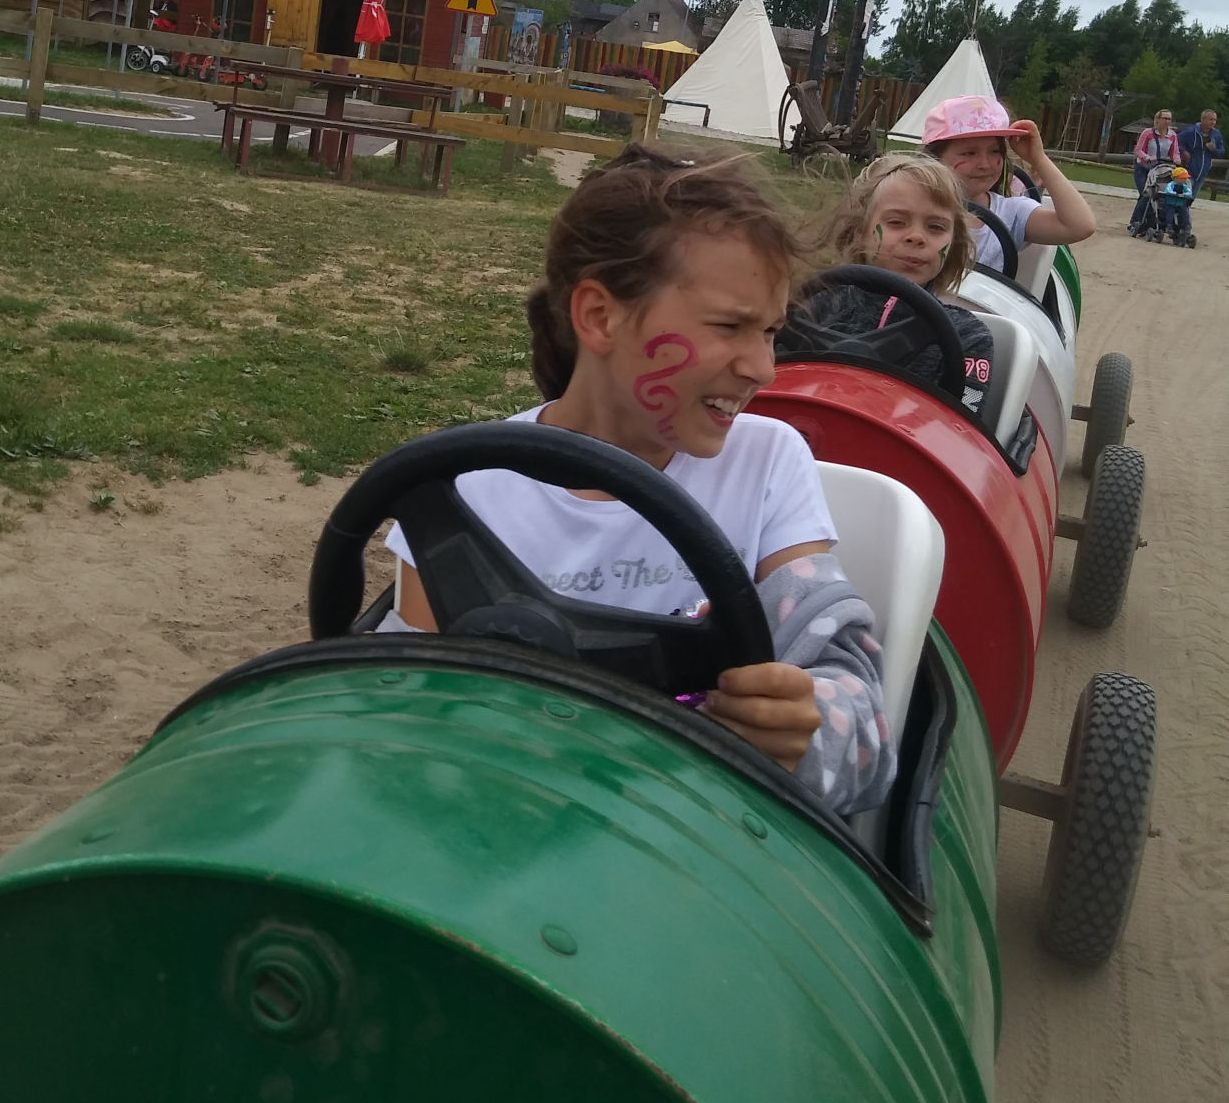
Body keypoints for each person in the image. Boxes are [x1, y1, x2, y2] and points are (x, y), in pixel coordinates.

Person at [382, 144, 896, 816]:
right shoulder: (463, 491)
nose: (764, 368)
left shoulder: (766, 465)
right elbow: (404, 716)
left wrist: (807, 726)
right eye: (730, 326)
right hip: (499, 821)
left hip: (688, 832)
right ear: (600, 317)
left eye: (770, 331)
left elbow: (860, 717)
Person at [778, 156, 995, 417]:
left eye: (935, 227)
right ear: (860, 232)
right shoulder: (811, 306)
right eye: (896, 222)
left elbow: (964, 424)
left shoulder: (968, 336)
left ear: (953, 244)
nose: (916, 237)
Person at [920, 96, 1096, 271]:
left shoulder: (1010, 214)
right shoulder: (913, 206)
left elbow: (1080, 226)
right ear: (935, 157)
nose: (985, 164)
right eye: (969, 153)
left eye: (995, 151)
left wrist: (1038, 158)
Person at [1129, 109, 1181, 236]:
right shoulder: (1148, 133)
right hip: (1144, 168)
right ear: (1158, 119)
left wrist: (1176, 159)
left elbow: (1175, 152)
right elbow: (1138, 150)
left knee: (1158, 196)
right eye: (1165, 118)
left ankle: (1149, 222)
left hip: (1160, 170)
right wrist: (1147, 157)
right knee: (1146, 194)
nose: (1167, 121)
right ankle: (1135, 221)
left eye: (1169, 119)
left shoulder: (1172, 136)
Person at [1177, 108, 1224, 198]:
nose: (1213, 122)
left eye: (1215, 120)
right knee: (1184, 197)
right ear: (1202, 119)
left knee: (1191, 198)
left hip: (1202, 173)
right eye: (1211, 119)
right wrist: (1183, 152)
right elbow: (1175, 142)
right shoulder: (1190, 132)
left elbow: (1221, 152)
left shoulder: (1216, 134)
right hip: (1187, 171)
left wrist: (1214, 149)